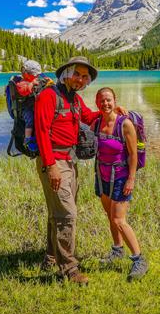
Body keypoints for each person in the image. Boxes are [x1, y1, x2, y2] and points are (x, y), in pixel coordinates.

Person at [33, 56, 102, 284]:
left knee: (58, 213)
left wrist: (109, 112)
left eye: (85, 77)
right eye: (77, 74)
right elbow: (41, 131)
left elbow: (88, 117)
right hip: (54, 162)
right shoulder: (48, 96)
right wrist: (50, 165)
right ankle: (70, 270)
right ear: (66, 74)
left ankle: (51, 257)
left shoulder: (74, 100)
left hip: (70, 162)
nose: (81, 79)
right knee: (67, 215)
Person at [93, 87, 148, 281]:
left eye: (108, 100)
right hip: (102, 176)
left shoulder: (124, 124)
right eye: (101, 100)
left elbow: (133, 155)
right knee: (110, 216)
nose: (105, 103)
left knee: (119, 220)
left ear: (115, 100)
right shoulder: (97, 122)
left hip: (121, 177)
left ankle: (139, 259)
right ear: (96, 102)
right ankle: (117, 251)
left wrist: (131, 179)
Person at [9, 59, 50, 152]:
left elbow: (41, 80)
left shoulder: (32, 79)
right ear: (27, 74)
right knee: (30, 120)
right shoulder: (21, 83)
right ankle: (28, 139)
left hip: (32, 106)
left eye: (38, 75)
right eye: (35, 75)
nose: (37, 76)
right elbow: (23, 92)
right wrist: (31, 84)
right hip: (25, 108)